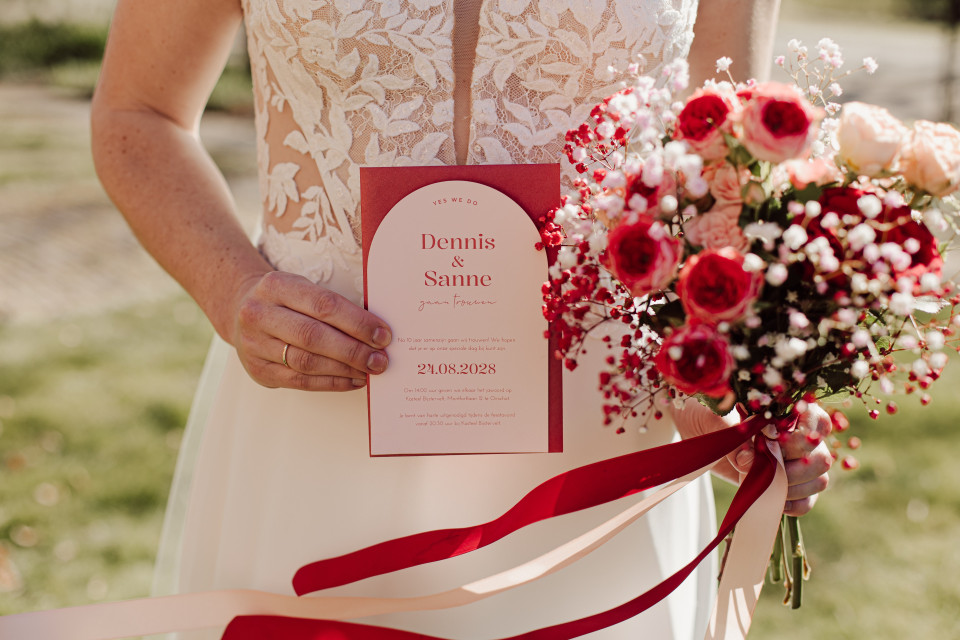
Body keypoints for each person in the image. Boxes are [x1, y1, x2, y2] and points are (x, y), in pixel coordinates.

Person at [90, 1, 832, 638]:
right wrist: (233, 289)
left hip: (601, 449)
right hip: (317, 403)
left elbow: (723, 164)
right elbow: (139, 112)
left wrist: (728, 382)